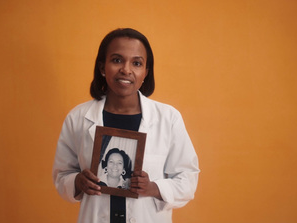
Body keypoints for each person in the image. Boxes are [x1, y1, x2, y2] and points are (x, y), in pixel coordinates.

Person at [52, 28, 199, 223]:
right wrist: (77, 182)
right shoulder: (78, 118)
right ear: (102, 67)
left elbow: (188, 178)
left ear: (145, 72)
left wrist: (154, 188)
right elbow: (62, 175)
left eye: (136, 63)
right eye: (116, 60)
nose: (126, 70)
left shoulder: (168, 118)